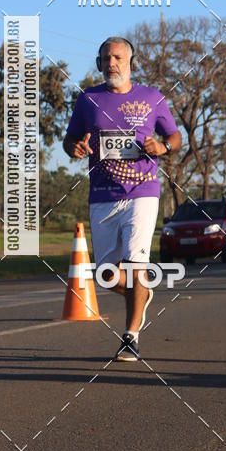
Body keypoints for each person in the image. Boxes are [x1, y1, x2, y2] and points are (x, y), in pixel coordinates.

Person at [63, 36, 181, 360]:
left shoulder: (152, 98)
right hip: (102, 194)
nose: (110, 63)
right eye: (105, 58)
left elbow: (175, 135)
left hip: (142, 191)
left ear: (131, 62)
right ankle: (141, 294)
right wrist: (73, 147)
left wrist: (163, 147)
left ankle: (130, 335)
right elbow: (70, 138)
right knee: (105, 275)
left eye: (116, 57)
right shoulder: (88, 99)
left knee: (135, 263)